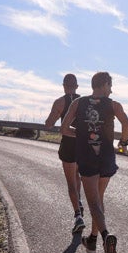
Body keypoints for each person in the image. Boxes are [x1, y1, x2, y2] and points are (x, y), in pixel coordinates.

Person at [60, 71, 128, 253]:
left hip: (88, 157)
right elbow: (126, 124)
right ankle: (92, 241)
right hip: (107, 157)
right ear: (105, 84)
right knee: (99, 200)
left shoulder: (78, 103)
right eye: (110, 86)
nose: (111, 90)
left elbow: (64, 129)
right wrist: (123, 143)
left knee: (93, 203)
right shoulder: (114, 105)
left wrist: (82, 135)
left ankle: (106, 235)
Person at [44, 73, 85, 234]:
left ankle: (78, 217)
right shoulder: (84, 102)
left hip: (68, 144)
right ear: (76, 87)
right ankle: (79, 201)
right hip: (83, 145)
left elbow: (49, 124)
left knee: (70, 182)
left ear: (63, 86)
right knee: (78, 176)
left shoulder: (60, 102)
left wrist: (50, 122)